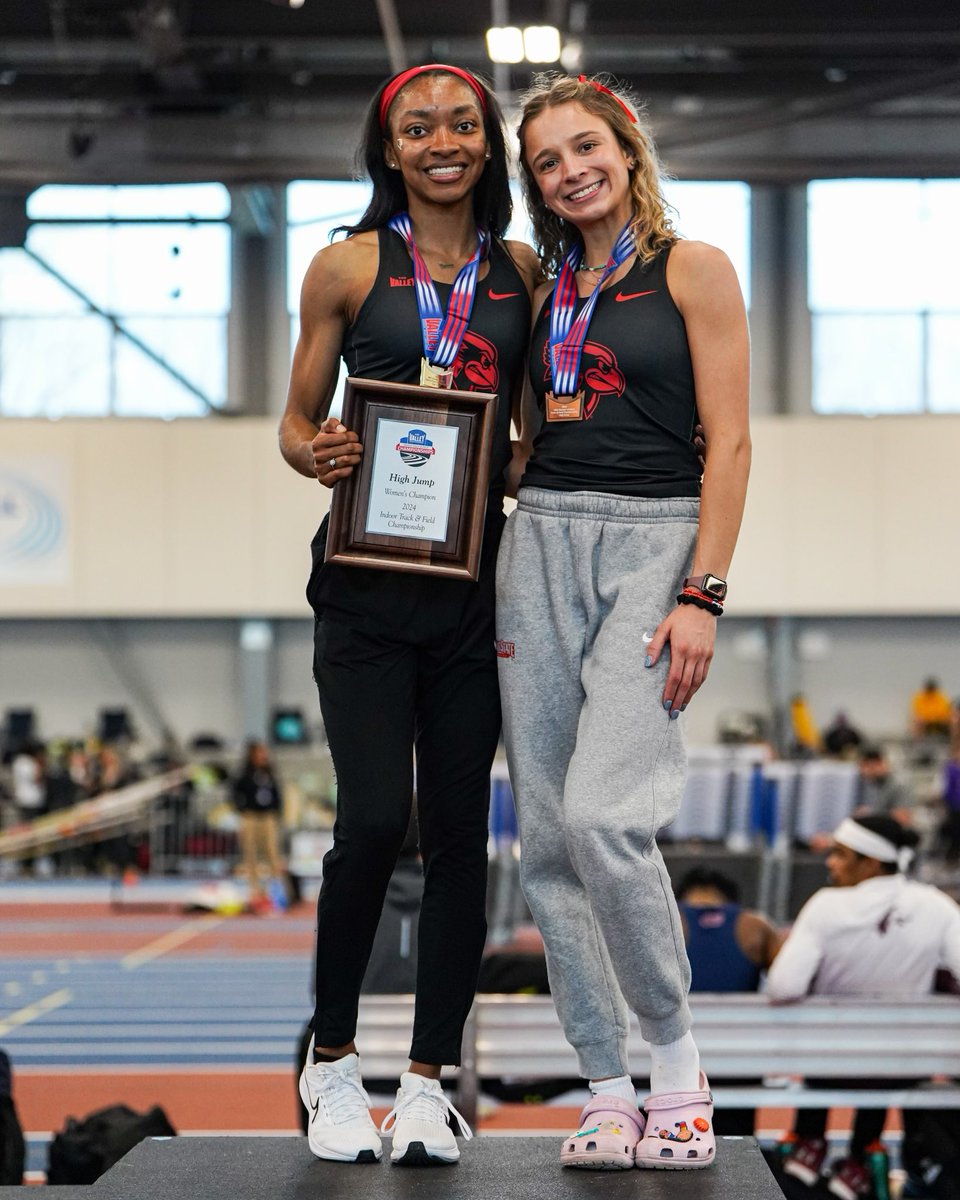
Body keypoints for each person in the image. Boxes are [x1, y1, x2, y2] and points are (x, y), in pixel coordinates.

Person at [278, 63, 536, 1167]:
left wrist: (519, 461)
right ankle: (333, 1064)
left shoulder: (523, 273)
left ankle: (428, 1083)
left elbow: (531, 428)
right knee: (375, 821)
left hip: (475, 594)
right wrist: (320, 451)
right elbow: (296, 423)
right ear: (388, 149)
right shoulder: (344, 265)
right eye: (418, 126)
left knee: (464, 839)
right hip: (367, 591)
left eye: (464, 125)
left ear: (488, 145)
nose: (443, 140)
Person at [496, 72, 751, 1171]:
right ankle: (605, 1084)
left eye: (585, 147)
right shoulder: (539, 285)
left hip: (656, 541)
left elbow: (731, 446)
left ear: (627, 147)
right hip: (538, 535)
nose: (570, 170)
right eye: (548, 161)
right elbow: (519, 438)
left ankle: (679, 1063)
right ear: (537, 184)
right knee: (548, 836)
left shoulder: (693, 269)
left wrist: (703, 591)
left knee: (607, 814)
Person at [767, 814, 960, 1200]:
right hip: (902, 1068)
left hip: (829, 1066)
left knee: (837, 1046)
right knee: (885, 1056)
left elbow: (783, 986)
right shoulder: (938, 906)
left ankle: (811, 1140)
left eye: (840, 854)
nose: (830, 862)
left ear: (870, 862)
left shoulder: (825, 905)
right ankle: (860, 1152)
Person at [677, 867, 782, 1137]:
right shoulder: (755, 926)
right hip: (739, 1067)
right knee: (737, 1145)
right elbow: (790, 984)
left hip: (672, 1068)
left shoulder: (663, 921)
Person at [231, 740, 286, 914]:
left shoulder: (269, 773)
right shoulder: (245, 774)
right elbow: (234, 792)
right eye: (260, 753)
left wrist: (277, 810)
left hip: (268, 817)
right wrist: (241, 809)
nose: (263, 756)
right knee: (251, 853)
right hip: (251, 816)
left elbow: (277, 793)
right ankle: (255, 891)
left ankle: (276, 889)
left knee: (272, 852)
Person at [856, 746, 911, 821]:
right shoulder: (867, 783)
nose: (865, 771)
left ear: (881, 763)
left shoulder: (900, 785)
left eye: (870, 767)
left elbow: (903, 818)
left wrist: (871, 814)